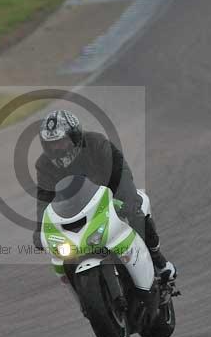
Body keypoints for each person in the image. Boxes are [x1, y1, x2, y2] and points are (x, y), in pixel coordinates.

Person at [32, 109, 175, 280]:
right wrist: (40, 229)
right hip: (75, 209)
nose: (56, 148)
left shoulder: (96, 143)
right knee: (63, 252)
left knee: (137, 212)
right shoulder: (44, 164)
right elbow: (44, 199)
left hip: (110, 194)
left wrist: (128, 200)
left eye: (61, 142)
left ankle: (157, 260)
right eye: (51, 144)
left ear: (75, 137)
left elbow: (119, 172)